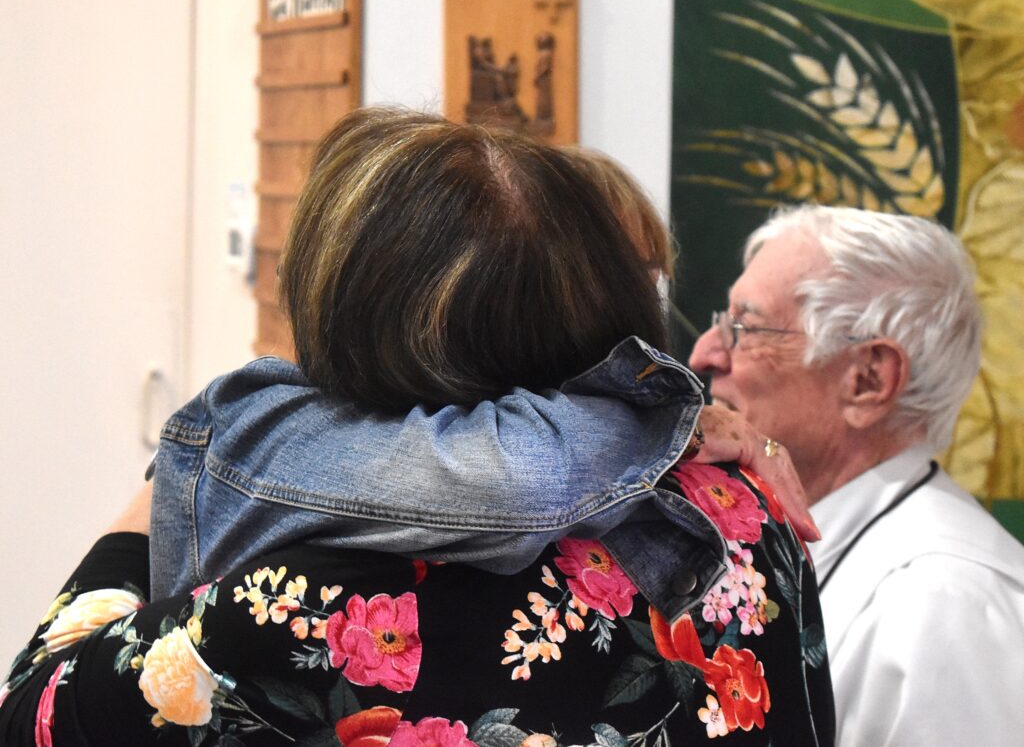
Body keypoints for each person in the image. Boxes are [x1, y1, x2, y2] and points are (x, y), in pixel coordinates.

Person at [1, 109, 834, 745]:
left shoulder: (284, 608)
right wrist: (663, 420)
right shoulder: (746, 513)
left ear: (352, 324)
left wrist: (175, 474)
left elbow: (33, 711)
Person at [688, 204, 1024, 746]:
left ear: (867, 380)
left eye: (744, 328)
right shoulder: (811, 548)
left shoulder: (944, 604)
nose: (704, 354)